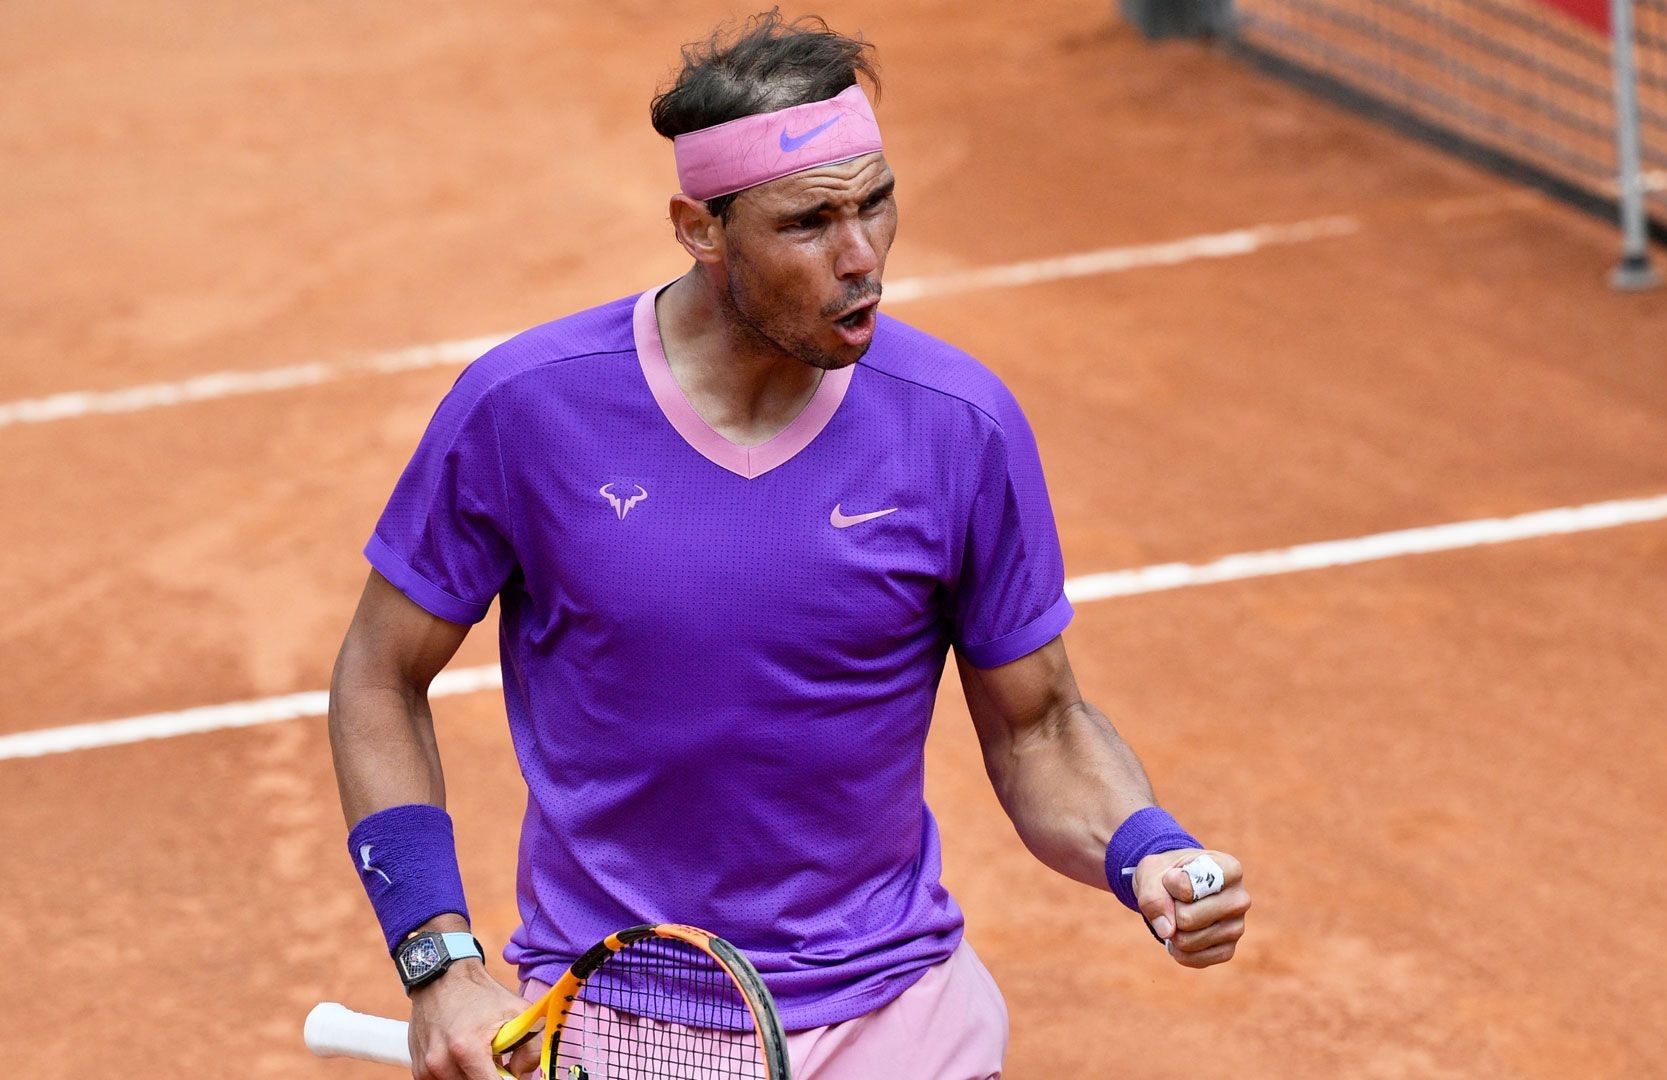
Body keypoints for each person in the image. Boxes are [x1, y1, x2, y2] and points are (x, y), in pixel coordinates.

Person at [328, 11, 1250, 1080]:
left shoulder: (959, 426)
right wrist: (437, 961)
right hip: (619, 1017)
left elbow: (1039, 725)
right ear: (700, 228)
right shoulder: (525, 411)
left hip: (897, 1015)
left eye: (875, 204)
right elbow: (379, 675)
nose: (860, 259)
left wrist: (1148, 851)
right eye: (808, 222)